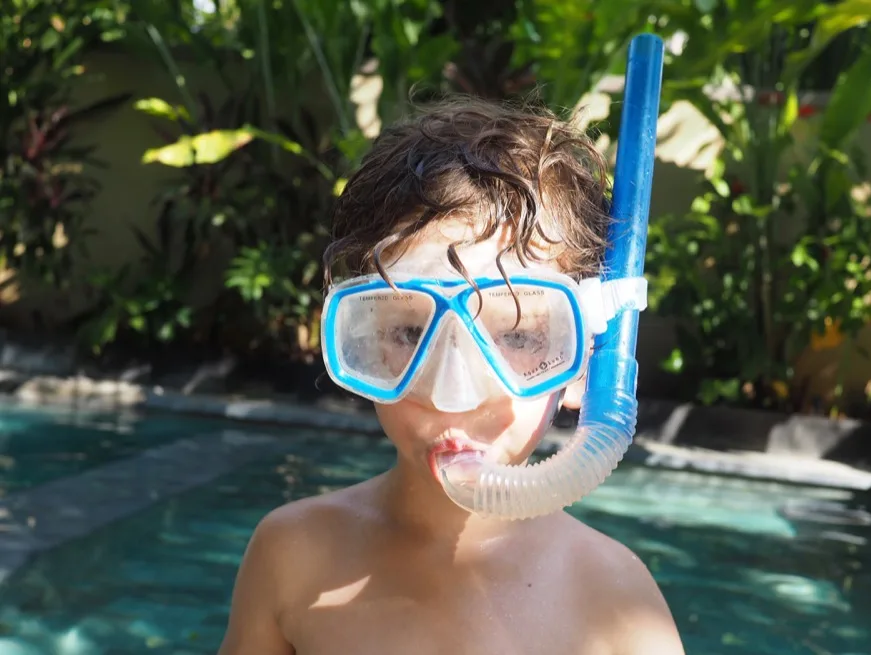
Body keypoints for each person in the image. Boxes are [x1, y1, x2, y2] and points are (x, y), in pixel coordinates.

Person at [217, 98, 686, 655]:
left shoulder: (618, 605)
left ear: (585, 360)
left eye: (517, 336)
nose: (452, 392)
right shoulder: (292, 555)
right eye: (411, 332)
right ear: (364, 339)